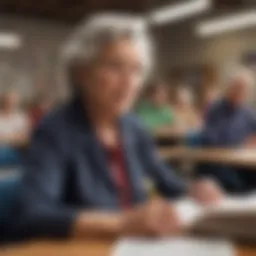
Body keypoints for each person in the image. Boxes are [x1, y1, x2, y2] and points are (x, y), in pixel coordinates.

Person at [17, 14, 223, 239]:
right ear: (81, 72)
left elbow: (167, 181)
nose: (129, 83)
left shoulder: (134, 125)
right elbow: (32, 214)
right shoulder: (56, 130)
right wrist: (123, 223)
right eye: (115, 67)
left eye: (136, 70)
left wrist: (193, 188)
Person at [198, 67, 256, 193]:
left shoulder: (249, 112)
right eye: (237, 87)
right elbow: (212, 140)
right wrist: (241, 144)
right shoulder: (216, 109)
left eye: (245, 89)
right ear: (229, 88)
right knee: (238, 185)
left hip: (242, 162)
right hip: (218, 162)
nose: (240, 92)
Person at [0, 91, 30, 165]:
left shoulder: (21, 118)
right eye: (7, 101)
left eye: (12, 101)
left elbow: (25, 138)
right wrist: (14, 137)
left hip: (17, 150)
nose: (10, 104)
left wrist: (6, 137)